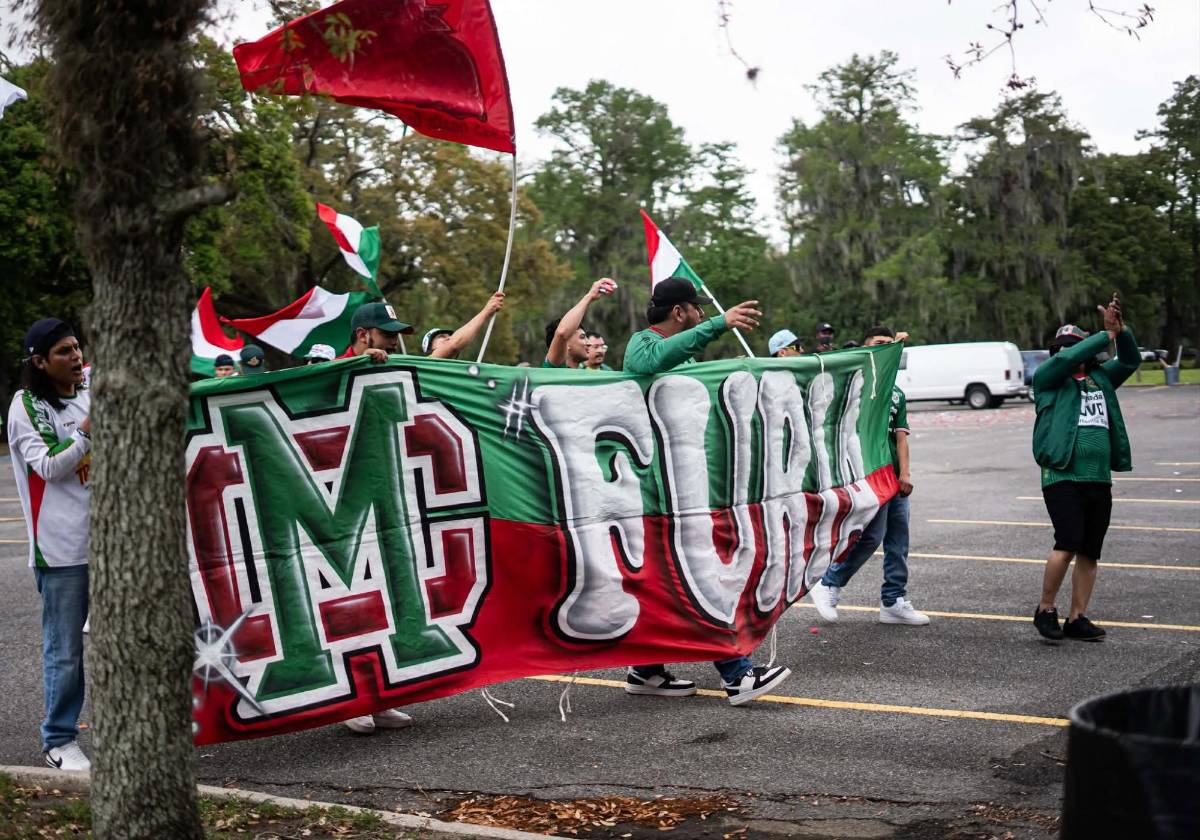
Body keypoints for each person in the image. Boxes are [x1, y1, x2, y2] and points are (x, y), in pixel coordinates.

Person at [621, 278, 791, 705]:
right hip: (655, 495)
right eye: (696, 309)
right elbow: (649, 362)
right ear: (680, 312)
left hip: (678, 491)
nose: (700, 314)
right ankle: (737, 676)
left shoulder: (678, 354)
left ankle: (646, 670)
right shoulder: (641, 344)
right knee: (702, 579)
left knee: (666, 584)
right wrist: (718, 324)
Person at [7, 319, 93, 771]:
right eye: (63, 351)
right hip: (60, 551)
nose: (76, 357)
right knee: (65, 651)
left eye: (77, 347)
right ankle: (59, 740)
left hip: (109, 544)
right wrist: (87, 432)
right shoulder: (27, 405)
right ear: (39, 362)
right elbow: (49, 468)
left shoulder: (90, 387)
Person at [1031, 294, 1139, 642]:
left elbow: (1132, 359)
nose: (1066, 352)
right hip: (1061, 475)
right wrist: (1104, 335)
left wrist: (1121, 332)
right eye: (1061, 348)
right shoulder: (1048, 380)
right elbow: (1069, 358)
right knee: (1067, 542)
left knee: (1090, 550)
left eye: (1072, 346)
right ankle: (1046, 609)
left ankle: (1078, 617)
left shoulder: (1102, 378)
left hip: (1097, 477)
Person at [808, 325, 928, 626]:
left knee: (898, 539)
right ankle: (829, 582)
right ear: (867, 348)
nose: (885, 347)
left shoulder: (896, 393)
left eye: (888, 343)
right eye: (878, 343)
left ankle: (893, 601)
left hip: (894, 475)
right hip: (869, 475)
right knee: (871, 534)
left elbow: (901, 438)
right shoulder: (856, 388)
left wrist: (906, 473)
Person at [544, 278, 617, 369]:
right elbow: (562, 333)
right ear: (566, 345)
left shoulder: (586, 374)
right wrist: (590, 296)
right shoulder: (555, 368)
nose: (589, 343)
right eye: (582, 337)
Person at [422, 292, 507, 360]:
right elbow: (453, 344)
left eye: (450, 337)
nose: (449, 338)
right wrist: (487, 311)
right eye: (441, 337)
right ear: (429, 349)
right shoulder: (426, 364)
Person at [338, 302, 413, 362]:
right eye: (388, 334)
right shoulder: (333, 371)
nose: (395, 342)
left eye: (396, 334)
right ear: (362, 335)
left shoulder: (399, 367)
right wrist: (361, 363)